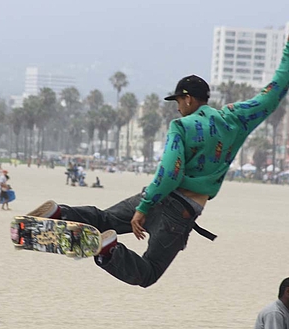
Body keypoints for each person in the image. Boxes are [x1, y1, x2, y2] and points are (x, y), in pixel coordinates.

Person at [24, 36, 289, 288]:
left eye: (178, 101)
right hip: (181, 211)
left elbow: (169, 173)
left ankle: (59, 214)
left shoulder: (181, 126)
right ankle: (108, 251)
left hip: (159, 197)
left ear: (188, 98)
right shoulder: (235, 119)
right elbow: (272, 93)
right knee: (148, 272)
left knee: (104, 219)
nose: (177, 108)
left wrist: (145, 205)